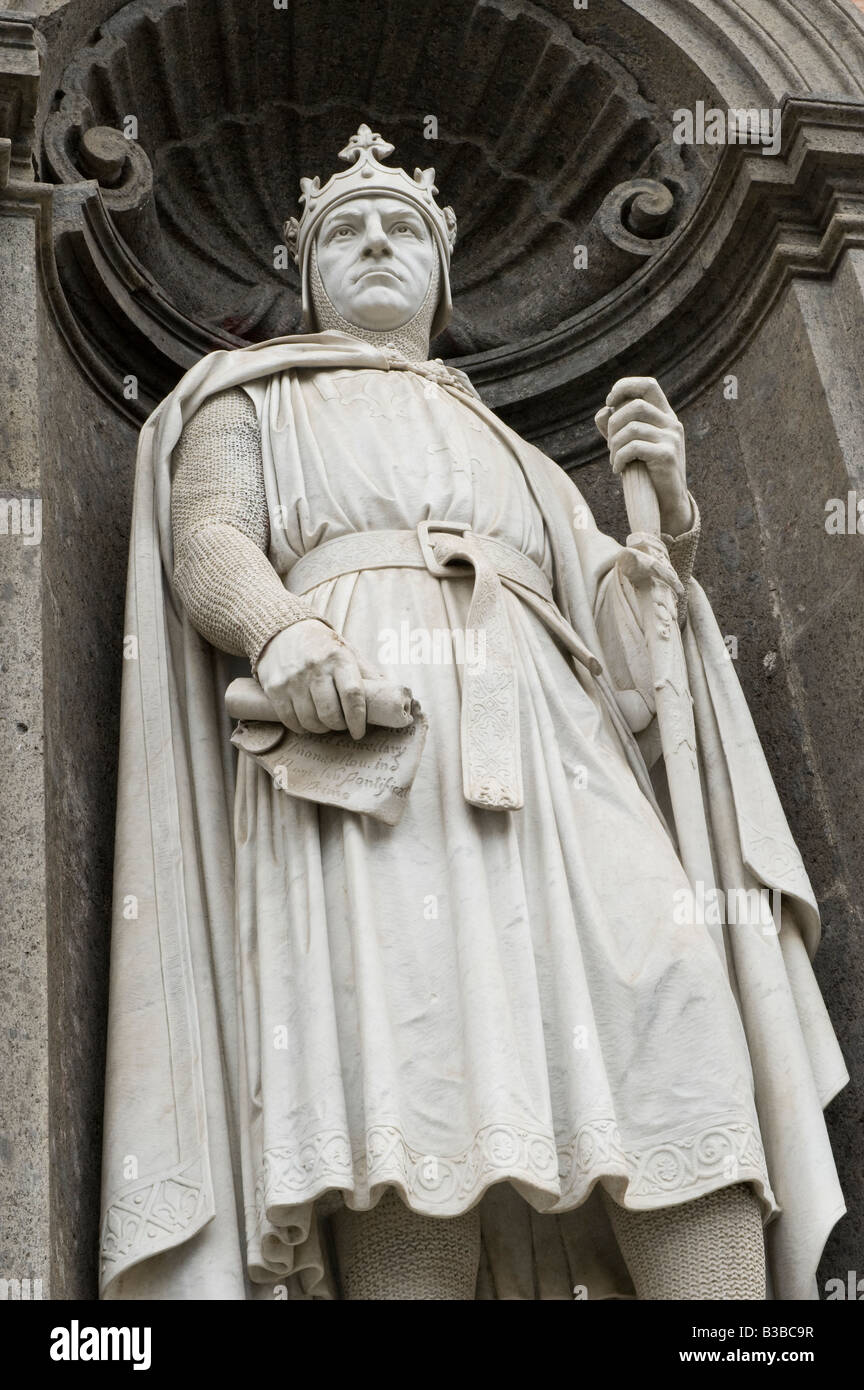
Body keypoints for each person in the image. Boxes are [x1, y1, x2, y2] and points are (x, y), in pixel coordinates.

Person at [100, 127, 847, 1301]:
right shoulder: (249, 398)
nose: (379, 241)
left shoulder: (517, 453)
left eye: (403, 227)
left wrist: (672, 530)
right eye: (348, 231)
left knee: (677, 1031)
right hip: (367, 763)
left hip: (561, 751)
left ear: (445, 282)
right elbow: (208, 541)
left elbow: (637, 655)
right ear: (309, 280)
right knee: (408, 1088)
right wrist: (284, 633)